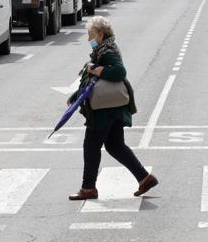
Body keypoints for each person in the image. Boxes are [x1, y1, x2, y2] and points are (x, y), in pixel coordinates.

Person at [67, 16, 158, 201]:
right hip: (114, 106)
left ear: (100, 35)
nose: (88, 39)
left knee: (91, 146)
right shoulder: (104, 49)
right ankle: (144, 178)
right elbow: (93, 83)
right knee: (115, 145)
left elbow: (119, 72)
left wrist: (96, 70)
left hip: (104, 109)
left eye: (91, 35)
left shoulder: (107, 51)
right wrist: (75, 97)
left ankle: (88, 188)